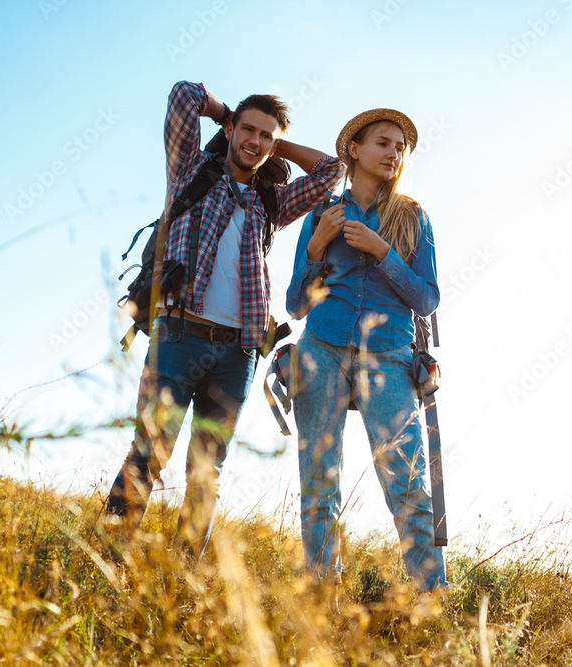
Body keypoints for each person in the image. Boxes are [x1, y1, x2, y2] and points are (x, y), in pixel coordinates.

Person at [105, 80, 343, 559]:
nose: (255, 142)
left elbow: (331, 173)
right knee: (149, 451)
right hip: (179, 336)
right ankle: (107, 562)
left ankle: (182, 579)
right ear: (231, 129)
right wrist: (224, 112)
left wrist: (280, 142)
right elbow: (181, 96)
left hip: (238, 353)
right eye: (247, 130)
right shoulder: (188, 170)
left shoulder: (270, 203)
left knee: (206, 469)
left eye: (266, 137)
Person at [285, 109, 447, 591]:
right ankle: (320, 596)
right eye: (383, 142)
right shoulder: (321, 215)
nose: (394, 153)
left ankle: (431, 600)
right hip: (322, 349)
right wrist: (317, 247)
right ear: (353, 150)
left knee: (408, 482)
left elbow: (428, 298)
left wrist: (382, 251)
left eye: (400, 147)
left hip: (391, 358)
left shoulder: (413, 217)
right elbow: (296, 304)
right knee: (319, 481)